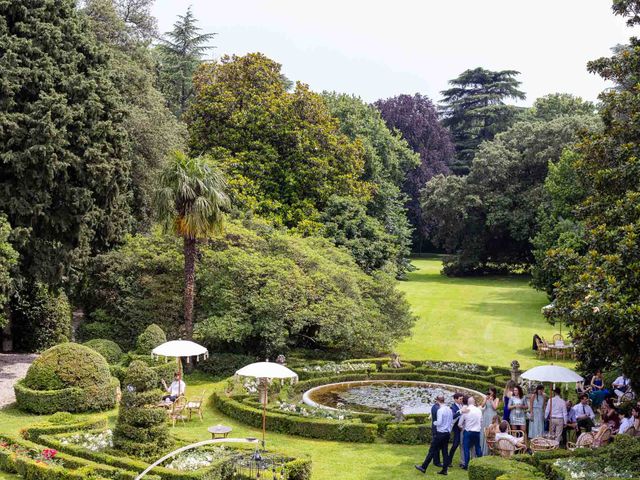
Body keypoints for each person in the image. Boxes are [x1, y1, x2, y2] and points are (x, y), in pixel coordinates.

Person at [415, 395, 451, 476]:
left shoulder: (440, 410)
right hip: (447, 433)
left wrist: (434, 422)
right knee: (445, 451)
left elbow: (439, 422)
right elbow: (450, 421)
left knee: (432, 450)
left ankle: (423, 467)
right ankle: (445, 470)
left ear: (437, 401)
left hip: (440, 433)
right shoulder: (449, 409)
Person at [459, 397, 483, 470]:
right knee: (478, 447)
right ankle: (480, 463)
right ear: (474, 402)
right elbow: (481, 421)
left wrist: (463, 427)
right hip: (477, 432)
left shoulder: (466, 410)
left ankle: (466, 465)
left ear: (468, 403)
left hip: (468, 432)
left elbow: (459, 424)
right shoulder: (479, 410)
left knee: (466, 448)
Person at [480, 387, 499, 455]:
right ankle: (482, 450)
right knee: (485, 431)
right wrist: (485, 399)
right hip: (485, 416)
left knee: (491, 432)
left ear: (494, 392)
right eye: (489, 391)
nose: (490, 392)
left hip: (492, 416)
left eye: (491, 391)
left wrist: (491, 401)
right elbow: (482, 406)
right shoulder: (487, 398)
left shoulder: (496, 399)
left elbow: (495, 408)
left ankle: (490, 450)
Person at [447, 393, 464, 469]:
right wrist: (460, 411)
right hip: (457, 428)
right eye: (460, 399)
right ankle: (449, 460)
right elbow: (453, 416)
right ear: (455, 399)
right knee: (455, 444)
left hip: (463, 427)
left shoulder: (462, 405)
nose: (461, 400)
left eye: (462, 399)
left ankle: (463, 460)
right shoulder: (452, 407)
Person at [430, 396, 442, 467]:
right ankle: (436, 461)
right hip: (436, 429)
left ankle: (436, 461)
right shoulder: (436, 408)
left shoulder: (436, 407)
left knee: (436, 446)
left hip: (436, 428)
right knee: (436, 446)